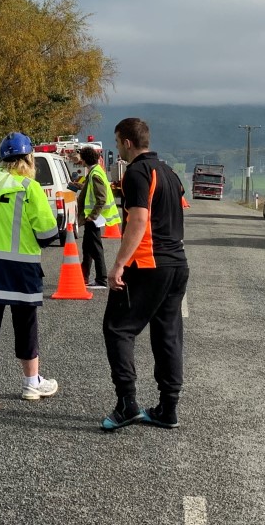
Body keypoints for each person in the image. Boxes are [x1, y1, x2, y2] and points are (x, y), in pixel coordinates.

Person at [100, 117, 190, 432]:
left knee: (118, 329)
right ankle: (168, 408)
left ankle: (127, 404)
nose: (117, 149)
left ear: (127, 142)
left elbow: (138, 221)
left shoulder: (138, 172)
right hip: (177, 264)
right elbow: (176, 215)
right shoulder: (170, 173)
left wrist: (118, 264)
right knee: (167, 335)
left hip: (149, 264)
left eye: (116, 142)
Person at [0, 132, 62, 413]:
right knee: (25, 324)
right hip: (20, 268)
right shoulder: (28, 188)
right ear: (28, 159)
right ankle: (32, 382)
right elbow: (47, 233)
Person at [76, 145, 120, 289]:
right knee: (88, 249)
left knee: (95, 248)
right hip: (92, 218)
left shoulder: (95, 174)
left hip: (94, 218)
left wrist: (92, 216)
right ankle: (84, 277)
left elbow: (101, 198)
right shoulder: (95, 171)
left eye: (81, 159)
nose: (80, 161)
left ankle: (101, 279)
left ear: (84, 160)